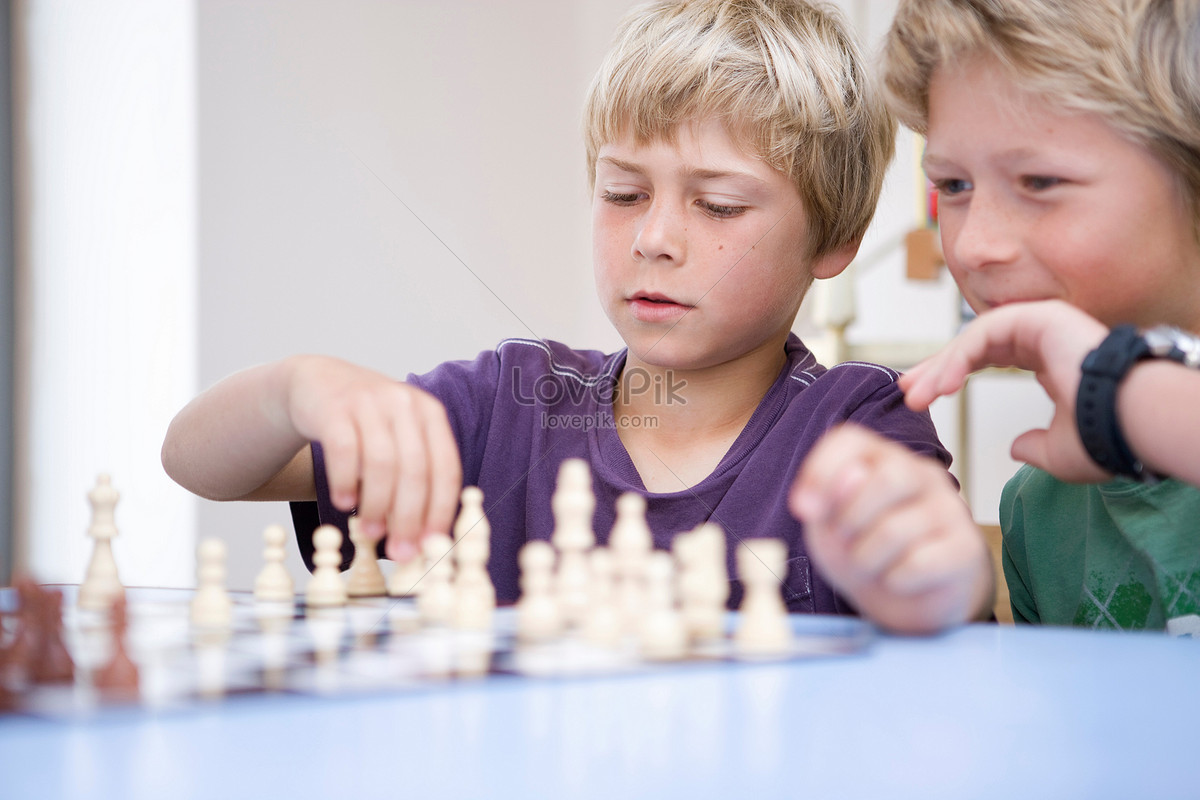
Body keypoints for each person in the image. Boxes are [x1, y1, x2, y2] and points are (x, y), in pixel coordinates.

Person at [161, 0, 993, 634]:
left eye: (719, 205)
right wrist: (295, 389)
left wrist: (942, 573)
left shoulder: (858, 422)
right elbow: (199, 464)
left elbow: (949, 602)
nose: (656, 238)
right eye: (622, 193)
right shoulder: (508, 400)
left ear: (835, 238)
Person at [867, 0, 1200, 631]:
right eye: (955, 186)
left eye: (1040, 182)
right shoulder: (1036, 513)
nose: (972, 247)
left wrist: (1124, 402)